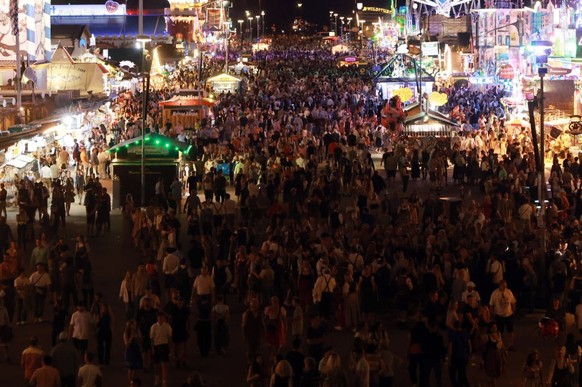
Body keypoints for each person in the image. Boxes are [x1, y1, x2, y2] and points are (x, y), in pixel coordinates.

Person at [488, 279, 516, 351]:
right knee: (500, 331)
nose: (504, 287)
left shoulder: (508, 292)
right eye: (503, 286)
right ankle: (501, 344)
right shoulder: (495, 293)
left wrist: (513, 309)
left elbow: (513, 301)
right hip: (499, 315)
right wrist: (492, 313)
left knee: (510, 330)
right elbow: (491, 304)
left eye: (505, 286)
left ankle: (510, 344)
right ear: (500, 286)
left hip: (508, 314)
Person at [150, 311, 172, 387]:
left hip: (164, 346)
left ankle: (164, 380)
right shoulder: (154, 327)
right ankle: (157, 378)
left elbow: (169, 338)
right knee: (156, 364)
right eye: (159, 317)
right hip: (157, 346)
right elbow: (152, 339)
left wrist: (169, 349)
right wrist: (152, 348)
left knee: (164, 364)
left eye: (162, 317)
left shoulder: (167, 326)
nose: (160, 318)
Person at [447, 320, 471, 387]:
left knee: (452, 374)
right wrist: (468, 355)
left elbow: (450, 348)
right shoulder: (465, 334)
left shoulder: (452, 335)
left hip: (455, 357)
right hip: (463, 356)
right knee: (462, 374)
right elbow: (469, 345)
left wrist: (449, 359)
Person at [242, 298, 264, 362]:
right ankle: (249, 362)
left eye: (256, 304)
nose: (255, 306)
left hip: (257, 333)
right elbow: (244, 325)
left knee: (257, 348)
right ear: (251, 305)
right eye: (253, 304)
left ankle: (255, 362)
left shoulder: (260, 313)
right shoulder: (246, 313)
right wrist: (244, 335)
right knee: (250, 348)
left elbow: (262, 324)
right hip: (249, 334)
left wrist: (263, 333)